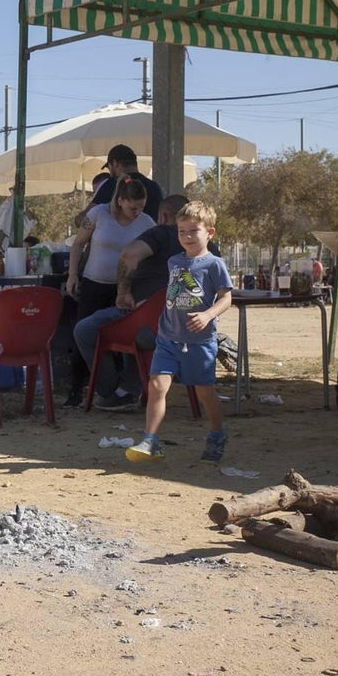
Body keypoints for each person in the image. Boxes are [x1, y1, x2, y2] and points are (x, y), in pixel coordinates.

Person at [126, 202, 233, 463]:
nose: (186, 237)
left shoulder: (214, 264)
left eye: (192, 231)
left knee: (204, 392)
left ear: (210, 232)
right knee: (156, 386)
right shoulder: (173, 261)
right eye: (181, 231)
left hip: (199, 341)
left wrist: (208, 314)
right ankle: (150, 440)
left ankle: (217, 434)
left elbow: (227, 298)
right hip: (168, 338)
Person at [72, 195, 194, 411]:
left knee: (86, 329)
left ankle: (114, 390)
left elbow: (128, 255)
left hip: (147, 325)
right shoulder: (206, 244)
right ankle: (128, 388)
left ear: (163, 216)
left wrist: (123, 291)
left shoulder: (161, 234)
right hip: (189, 329)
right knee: (133, 321)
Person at [64, 177, 155, 407]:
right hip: (94, 283)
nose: (137, 212)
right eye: (133, 207)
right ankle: (78, 389)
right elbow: (77, 245)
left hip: (125, 289)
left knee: (124, 338)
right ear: (121, 200)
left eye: (141, 207)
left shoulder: (146, 223)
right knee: (82, 334)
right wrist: (72, 275)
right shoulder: (98, 215)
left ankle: (120, 390)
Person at [75, 144, 163, 227]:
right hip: (147, 240)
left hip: (115, 241)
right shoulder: (154, 187)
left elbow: (85, 218)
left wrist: (78, 220)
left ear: (115, 163)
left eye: (109, 167)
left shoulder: (111, 185)